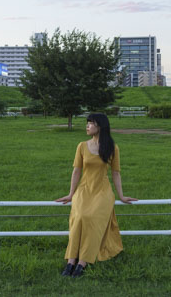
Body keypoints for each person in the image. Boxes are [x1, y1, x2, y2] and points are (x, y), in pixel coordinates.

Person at [55, 113, 138, 278]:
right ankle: (71, 261)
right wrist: (71, 193)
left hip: (102, 191)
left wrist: (121, 196)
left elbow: (116, 173)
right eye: (87, 123)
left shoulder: (112, 148)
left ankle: (82, 263)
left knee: (91, 218)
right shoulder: (82, 146)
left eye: (90, 123)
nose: (87, 126)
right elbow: (76, 171)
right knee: (79, 217)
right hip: (84, 189)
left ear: (100, 126)